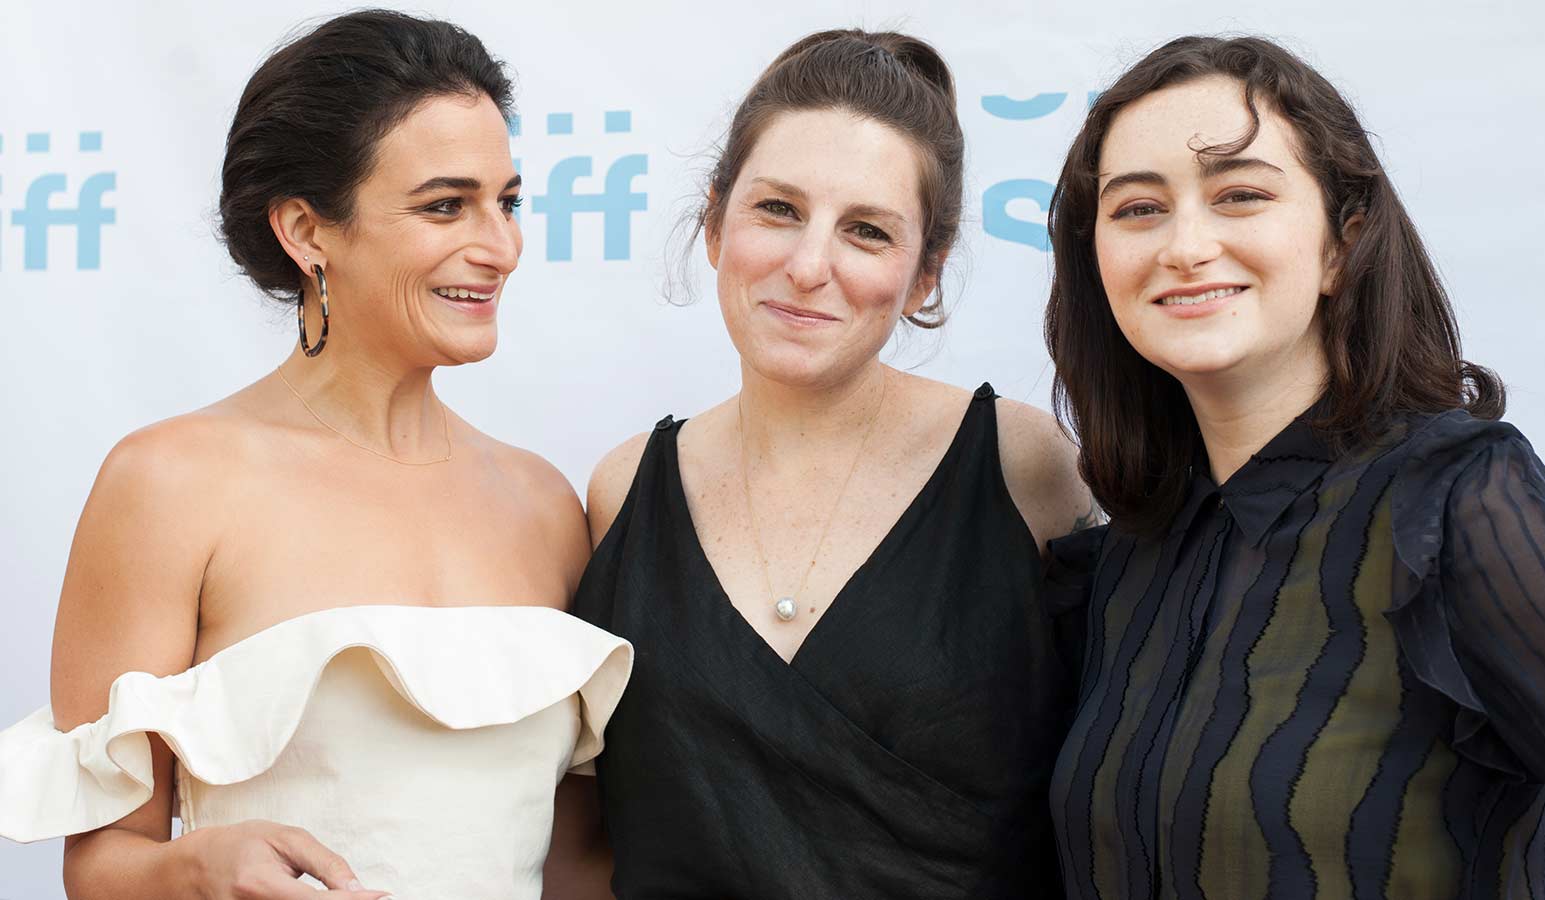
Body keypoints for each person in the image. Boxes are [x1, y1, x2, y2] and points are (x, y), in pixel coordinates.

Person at [0, 11, 629, 899]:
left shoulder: (544, 504)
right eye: (446, 205)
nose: (501, 247)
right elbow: (102, 864)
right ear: (306, 230)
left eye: (509, 201)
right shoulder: (170, 484)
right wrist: (198, 866)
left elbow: (573, 862)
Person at [1042, 35, 1545, 898]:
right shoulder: (1122, 562)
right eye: (1138, 209)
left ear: (1344, 242)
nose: (1185, 245)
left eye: (1241, 195)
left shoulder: (1456, 501)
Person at [574, 28, 1096, 899]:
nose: (809, 266)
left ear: (924, 274)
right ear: (713, 224)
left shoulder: (1026, 467)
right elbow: (583, 834)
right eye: (777, 209)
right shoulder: (622, 489)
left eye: (866, 230)